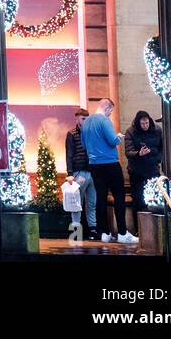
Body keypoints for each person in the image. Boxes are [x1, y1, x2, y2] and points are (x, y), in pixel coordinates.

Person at [82, 98, 136, 244]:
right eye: (111, 111)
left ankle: (104, 233)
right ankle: (123, 233)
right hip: (110, 163)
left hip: (94, 165)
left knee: (101, 198)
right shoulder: (104, 121)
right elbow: (112, 141)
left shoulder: (86, 122)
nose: (110, 114)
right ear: (107, 108)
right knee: (119, 196)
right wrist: (118, 137)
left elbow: (83, 144)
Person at [124, 110, 162, 237]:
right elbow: (128, 152)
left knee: (155, 200)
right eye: (142, 123)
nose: (145, 125)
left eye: (146, 122)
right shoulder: (130, 132)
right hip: (137, 170)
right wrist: (138, 154)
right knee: (138, 200)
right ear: (138, 123)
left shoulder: (157, 130)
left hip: (152, 169)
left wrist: (157, 159)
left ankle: (156, 229)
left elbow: (163, 147)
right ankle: (139, 229)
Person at [64, 108, 98, 239]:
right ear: (77, 119)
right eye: (83, 118)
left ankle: (92, 231)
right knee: (76, 203)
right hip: (80, 172)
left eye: (86, 118)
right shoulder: (72, 134)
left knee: (91, 203)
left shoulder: (90, 133)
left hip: (90, 171)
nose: (85, 121)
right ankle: (76, 232)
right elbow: (69, 154)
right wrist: (70, 173)